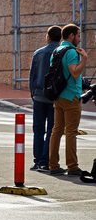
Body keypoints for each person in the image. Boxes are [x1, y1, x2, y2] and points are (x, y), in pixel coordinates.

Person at [48, 24, 88, 176]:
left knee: (56, 131)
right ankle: (72, 166)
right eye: (78, 36)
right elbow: (75, 73)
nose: (79, 39)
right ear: (71, 36)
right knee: (71, 132)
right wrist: (84, 58)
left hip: (58, 95)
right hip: (71, 96)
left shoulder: (56, 50)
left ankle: (53, 164)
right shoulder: (71, 52)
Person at [29, 25, 62, 172]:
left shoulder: (38, 53)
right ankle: (45, 160)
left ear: (48, 37)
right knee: (52, 130)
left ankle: (37, 160)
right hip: (54, 97)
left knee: (38, 129)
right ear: (60, 38)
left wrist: (33, 93)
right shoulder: (62, 53)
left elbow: (33, 75)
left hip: (39, 95)